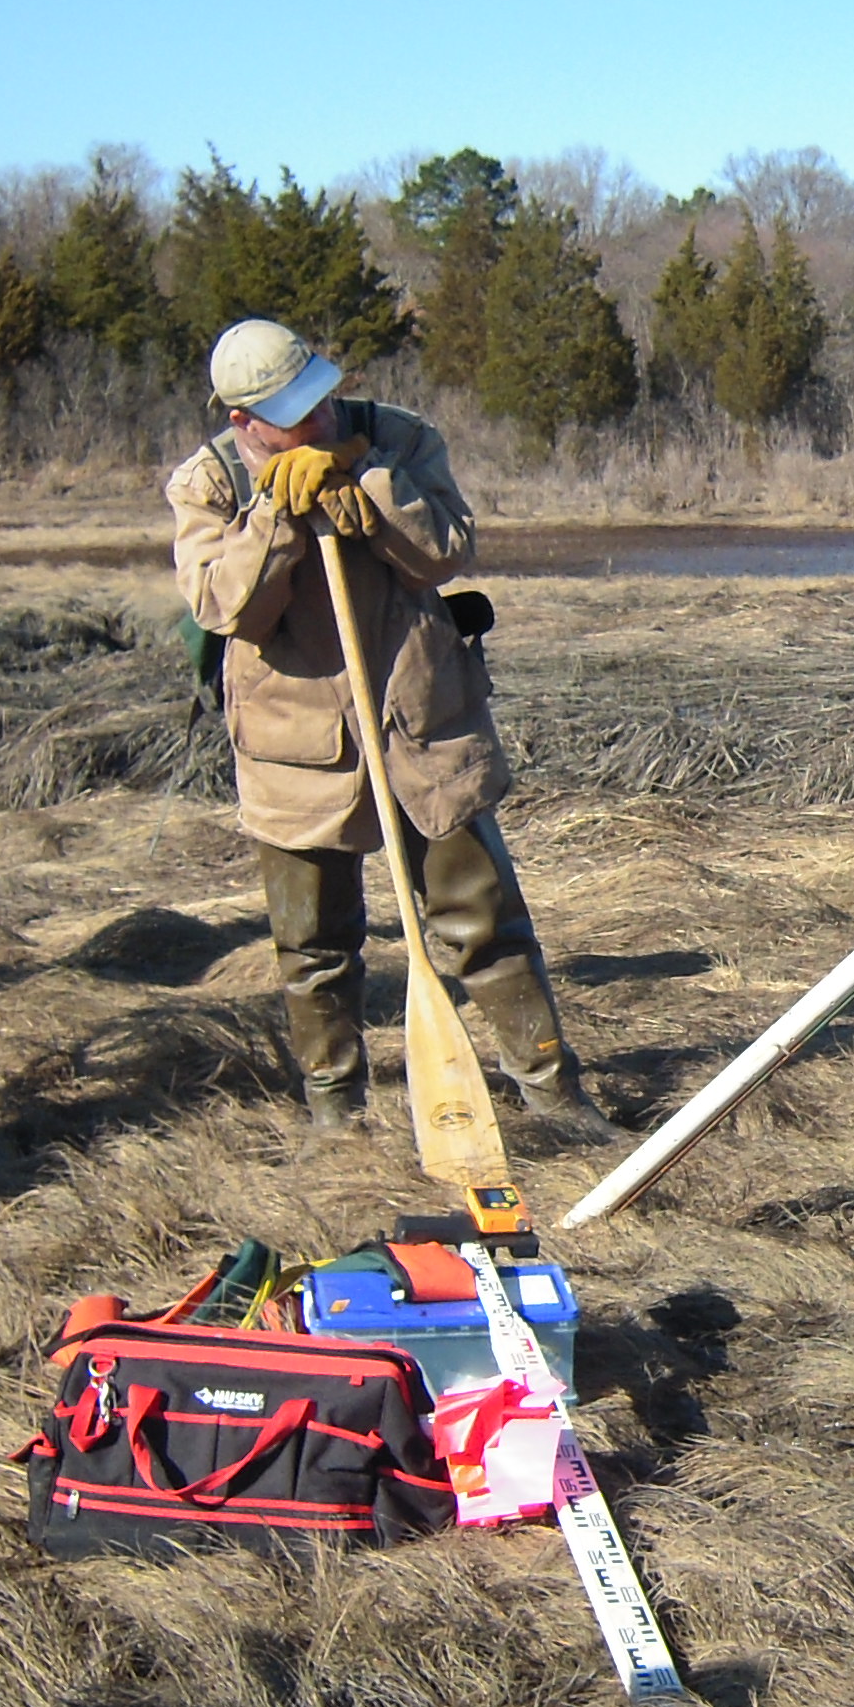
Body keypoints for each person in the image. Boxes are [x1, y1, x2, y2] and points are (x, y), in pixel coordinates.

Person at [169, 316, 607, 1136]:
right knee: (313, 946)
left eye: (322, 397)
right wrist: (275, 520)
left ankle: (555, 1098)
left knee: (485, 921)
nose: (319, 418)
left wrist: (367, 488)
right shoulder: (208, 485)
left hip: (422, 725)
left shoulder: (397, 439)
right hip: (293, 748)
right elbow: (225, 608)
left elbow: (447, 549)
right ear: (242, 420)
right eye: (293, 412)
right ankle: (337, 1119)